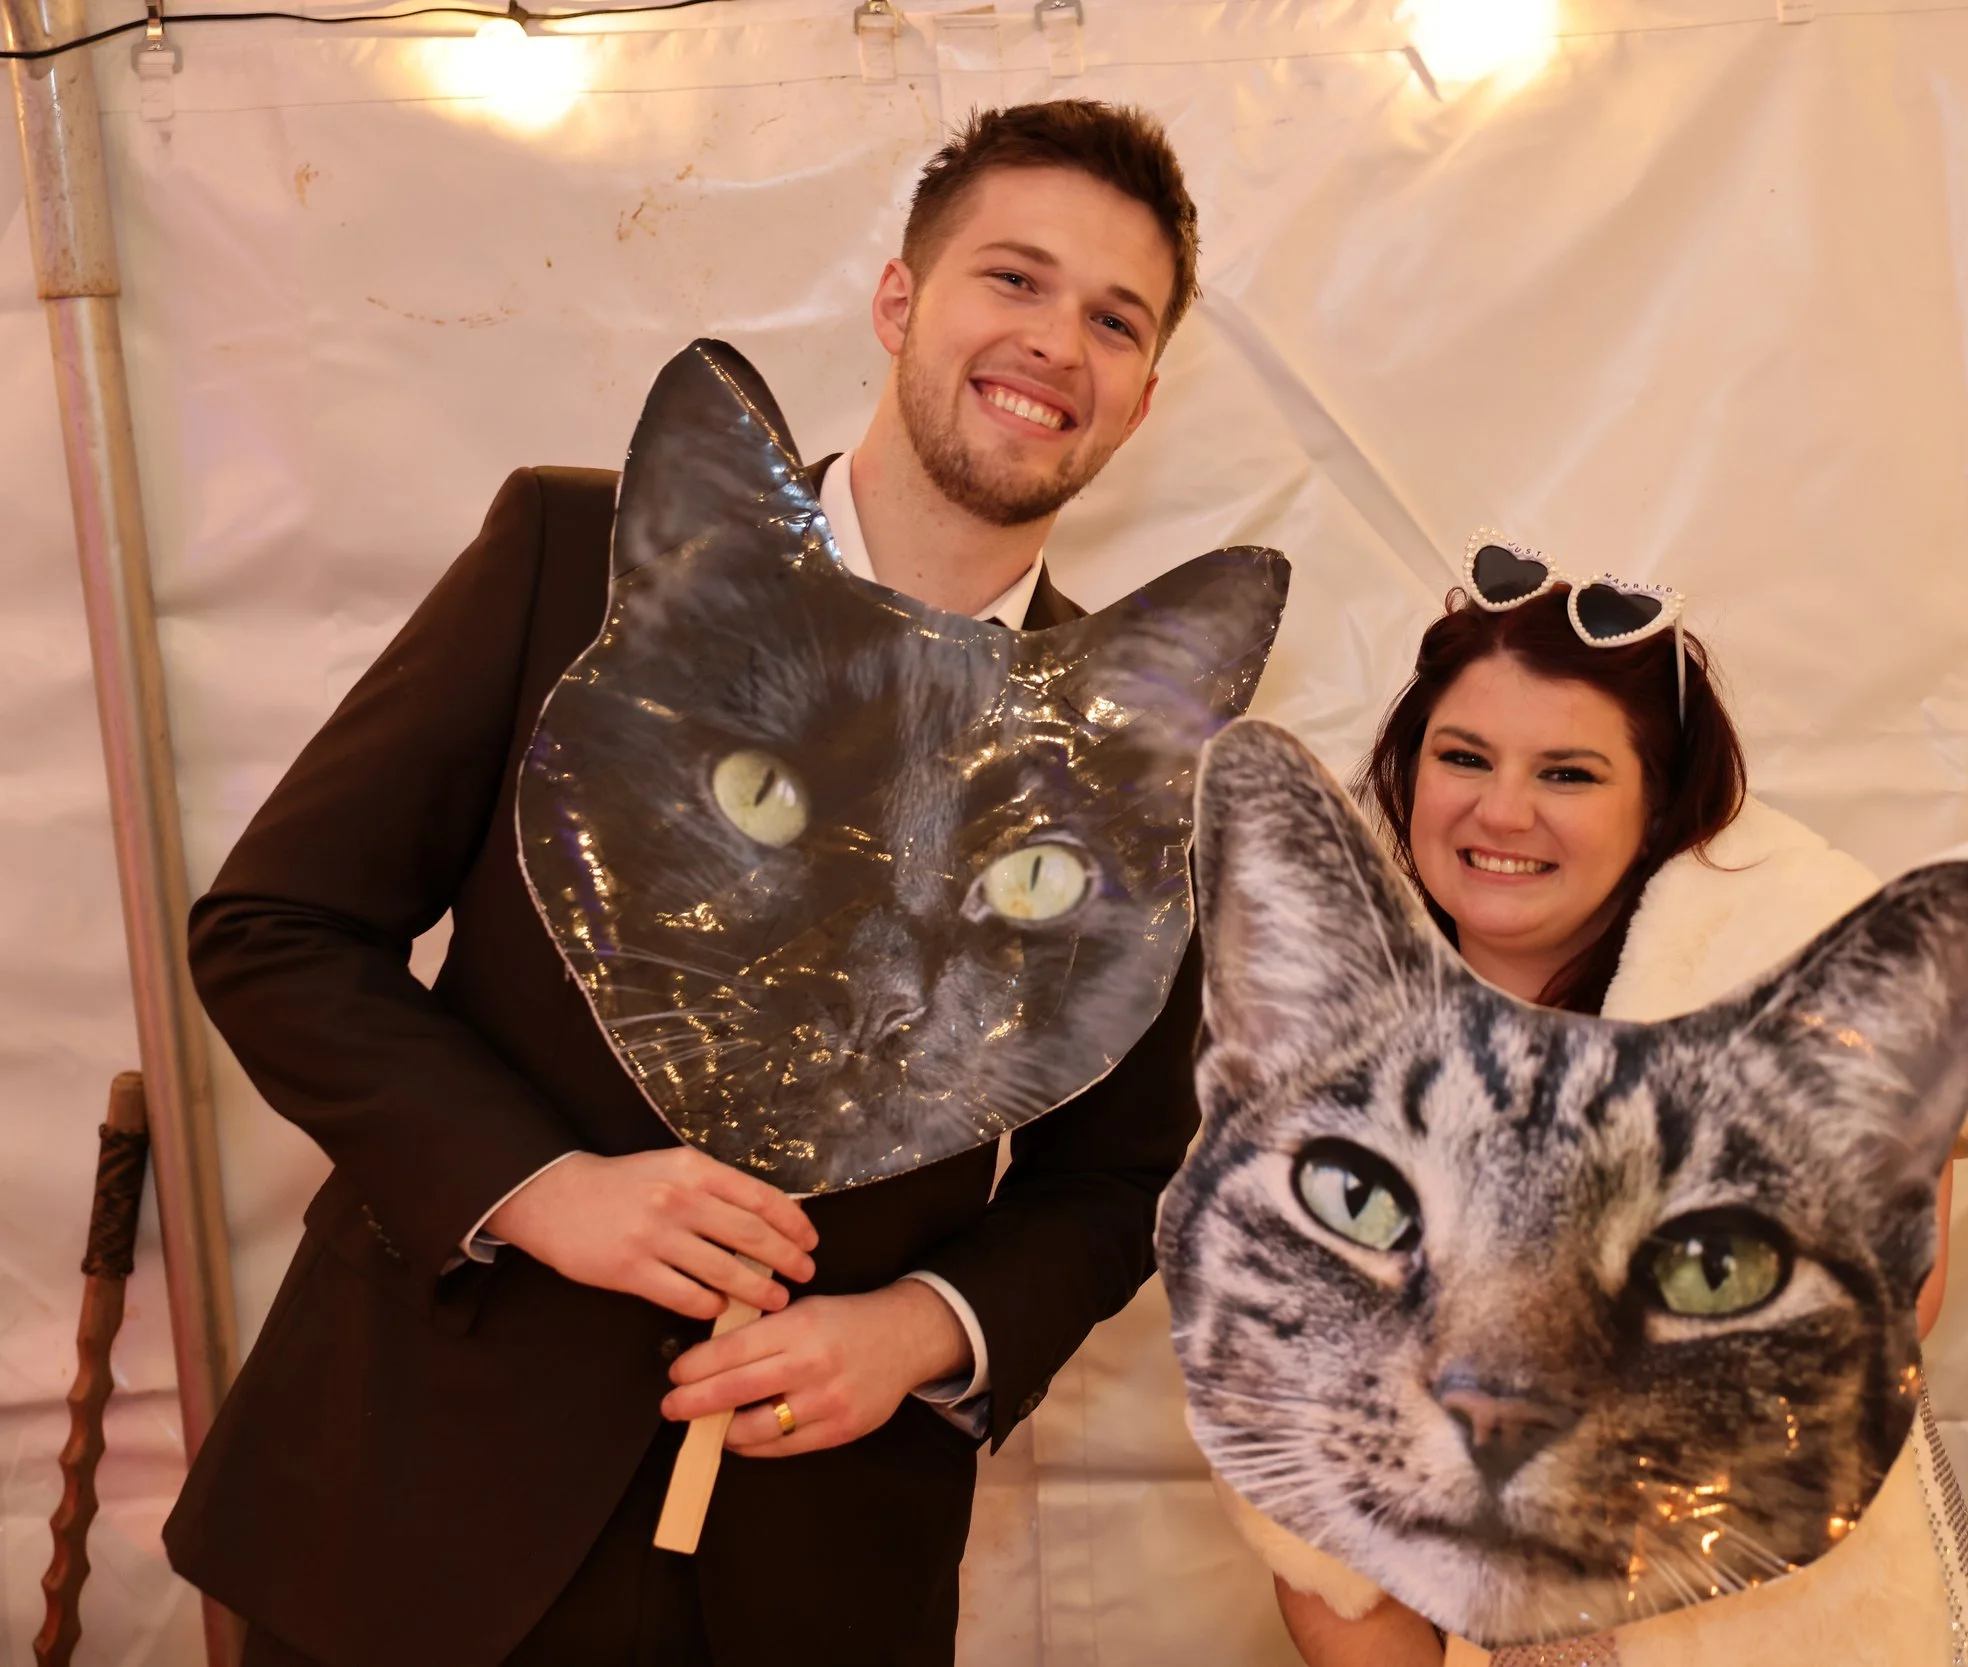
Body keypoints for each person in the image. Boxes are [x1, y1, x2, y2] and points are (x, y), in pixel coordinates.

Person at [165, 100, 1211, 1666]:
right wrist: (544, 1187)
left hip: (814, 1567)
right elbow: (278, 930)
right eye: (1015, 277)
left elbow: (1119, 1178)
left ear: (1142, 396)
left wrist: (923, 1326)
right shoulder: (577, 556)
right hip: (413, 1508)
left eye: (1116, 320)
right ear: (901, 299)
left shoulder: (1136, 755)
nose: (1058, 340)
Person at [1253, 562, 1968, 1665]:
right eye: (1462, 756)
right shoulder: (1330, 1065)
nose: (1500, 810)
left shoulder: (1794, 1000)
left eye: (1567, 772)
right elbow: (1314, 1526)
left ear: (1656, 804)